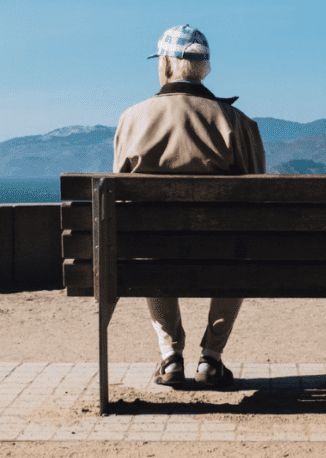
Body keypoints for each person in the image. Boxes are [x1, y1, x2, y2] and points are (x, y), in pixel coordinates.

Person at [113, 24, 266, 388]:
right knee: (238, 250)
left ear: (165, 65)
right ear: (204, 68)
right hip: (222, 252)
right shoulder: (237, 123)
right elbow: (260, 196)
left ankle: (170, 357)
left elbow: (119, 197)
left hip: (155, 252)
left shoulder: (132, 118)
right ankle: (211, 358)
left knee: (149, 247)